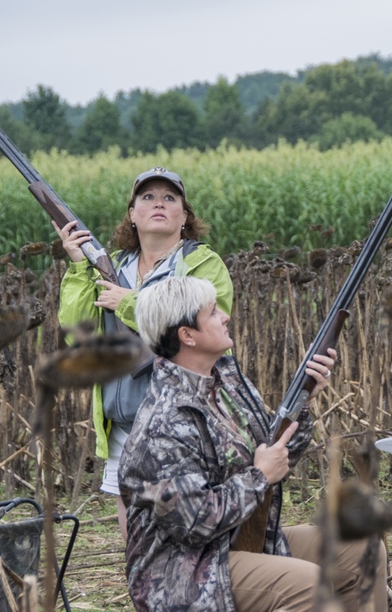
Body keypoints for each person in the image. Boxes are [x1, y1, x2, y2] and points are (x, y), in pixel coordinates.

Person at [120, 276, 388, 612]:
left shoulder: (227, 383)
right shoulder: (164, 420)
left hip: (236, 543)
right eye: (213, 312)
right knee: (307, 586)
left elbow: (277, 452)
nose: (225, 316)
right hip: (182, 573)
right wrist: (259, 477)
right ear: (186, 335)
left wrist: (303, 402)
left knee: (364, 549)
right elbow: (193, 523)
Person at [55, 167, 233, 539]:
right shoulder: (111, 266)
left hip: (180, 419)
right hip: (124, 422)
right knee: (133, 532)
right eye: (147, 198)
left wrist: (129, 303)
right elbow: (77, 334)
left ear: (184, 217)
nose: (159, 204)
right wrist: (76, 265)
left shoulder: (202, 264)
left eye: (170, 199)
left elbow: (202, 330)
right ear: (132, 215)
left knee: (183, 524)